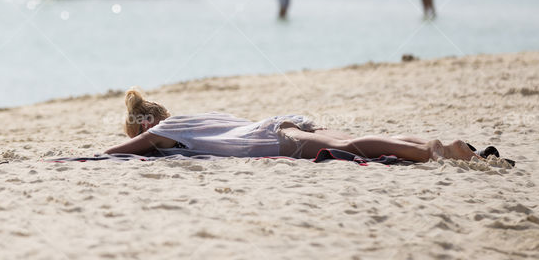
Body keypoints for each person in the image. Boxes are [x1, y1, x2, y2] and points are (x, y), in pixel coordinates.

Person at [105, 88, 480, 163]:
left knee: (349, 149)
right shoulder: (189, 119)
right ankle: (440, 145)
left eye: (136, 131)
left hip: (269, 138)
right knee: (350, 140)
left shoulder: (158, 134)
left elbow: (112, 154)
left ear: (144, 125)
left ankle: (426, 152)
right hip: (279, 122)